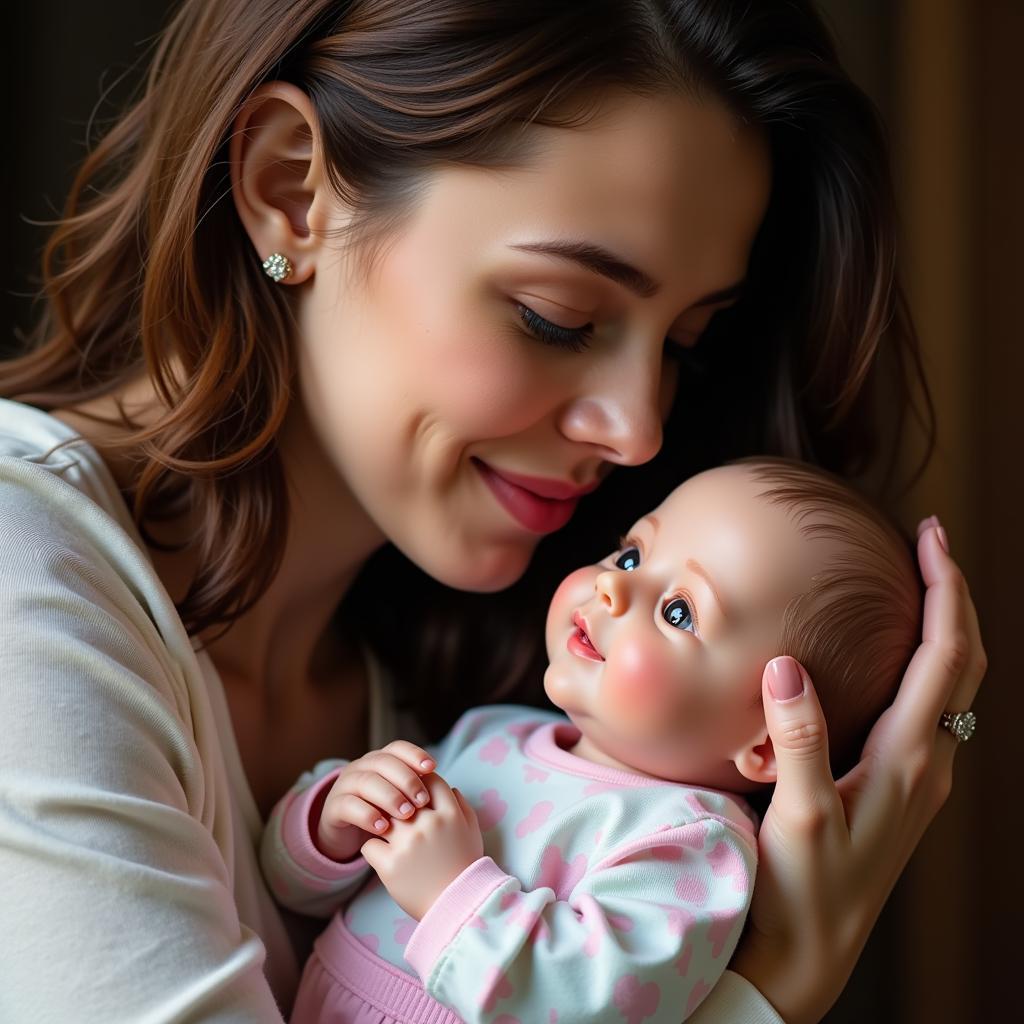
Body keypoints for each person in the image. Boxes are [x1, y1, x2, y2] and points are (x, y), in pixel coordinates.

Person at [0, 2, 985, 1022]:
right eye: (555, 315)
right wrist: (776, 984)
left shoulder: (458, 707)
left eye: (682, 344)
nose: (639, 429)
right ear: (292, 190)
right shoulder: (23, 576)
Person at [259, 457, 922, 1024]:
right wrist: (330, 823)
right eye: (632, 553)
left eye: (679, 611)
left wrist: (451, 892)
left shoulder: (693, 847)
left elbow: (588, 1003)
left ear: (771, 740)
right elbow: (287, 890)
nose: (612, 586)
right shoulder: (493, 732)